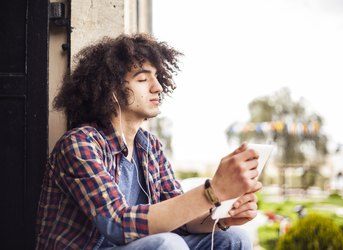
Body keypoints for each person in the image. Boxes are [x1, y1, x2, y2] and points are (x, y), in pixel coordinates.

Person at [35, 34, 262, 250]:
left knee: (233, 239)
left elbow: (182, 221)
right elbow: (117, 224)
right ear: (111, 89)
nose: (158, 87)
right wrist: (213, 190)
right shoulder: (80, 144)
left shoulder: (150, 146)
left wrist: (223, 217)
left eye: (157, 77)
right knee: (167, 245)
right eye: (143, 79)